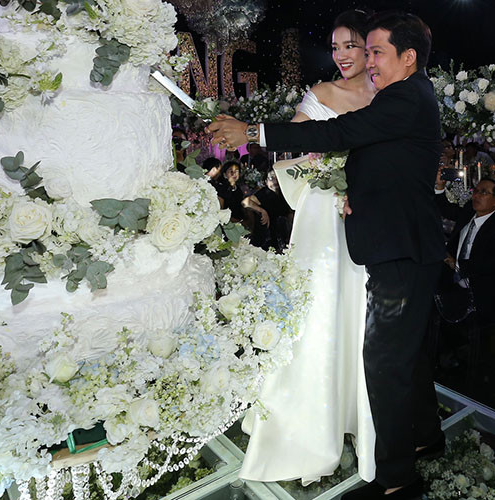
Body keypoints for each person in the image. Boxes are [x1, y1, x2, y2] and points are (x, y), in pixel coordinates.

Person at [209, 11, 446, 500]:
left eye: (376, 52)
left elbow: (336, 134)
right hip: (405, 245)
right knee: (410, 353)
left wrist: (253, 132)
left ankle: (397, 479)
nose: (369, 62)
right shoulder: (412, 95)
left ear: (408, 57)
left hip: (401, 251)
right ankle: (426, 438)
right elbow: (381, 161)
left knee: (383, 361)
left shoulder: (404, 97)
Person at [238, 9, 377, 486]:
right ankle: (309, 428)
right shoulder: (320, 95)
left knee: (360, 313)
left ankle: (358, 416)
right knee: (319, 308)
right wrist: (320, 168)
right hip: (322, 216)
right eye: (335, 47)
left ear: (370, 48)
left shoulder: (385, 96)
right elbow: (291, 148)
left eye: (350, 46)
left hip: (366, 218)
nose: (341, 56)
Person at [435, 176, 495, 327]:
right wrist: (440, 187)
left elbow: (489, 263)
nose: (476, 196)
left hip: (481, 295)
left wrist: (456, 264)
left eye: (484, 192)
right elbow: (447, 209)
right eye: (475, 191)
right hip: (453, 288)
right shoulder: (469, 210)